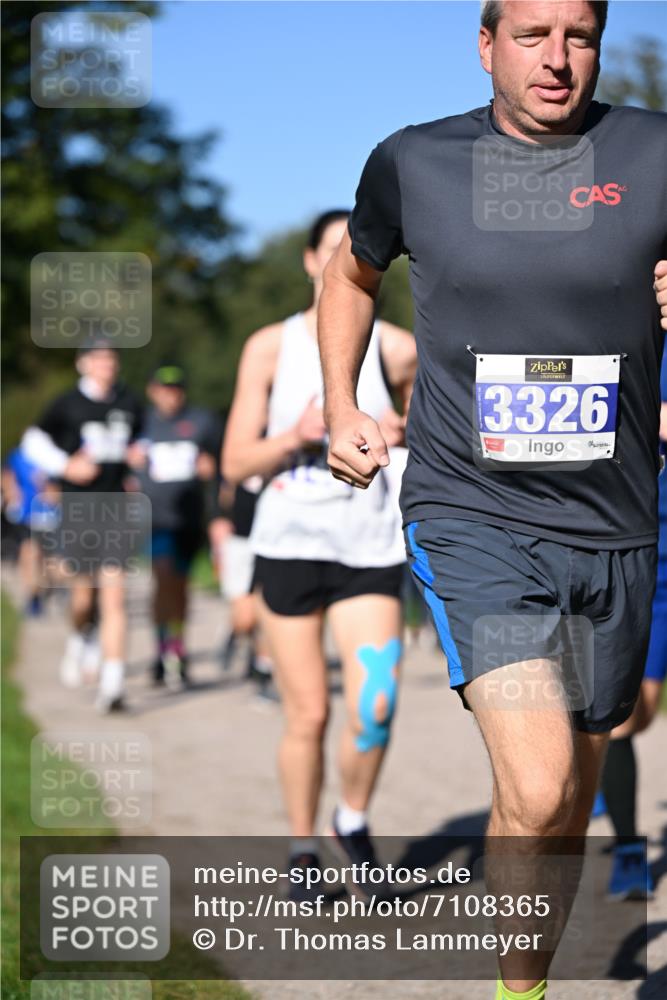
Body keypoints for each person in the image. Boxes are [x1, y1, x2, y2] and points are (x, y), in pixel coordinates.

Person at [318, 3, 666, 996]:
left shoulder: (652, 150)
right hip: (471, 513)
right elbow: (349, 280)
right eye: (530, 34)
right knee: (545, 780)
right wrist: (345, 402)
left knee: (561, 804)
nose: (556, 60)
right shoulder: (414, 163)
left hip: (618, 524)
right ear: (485, 45)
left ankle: (524, 979)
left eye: (579, 36)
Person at [223, 209, 416, 891]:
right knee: (307, 711)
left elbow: (432, 439)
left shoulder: (396, 348)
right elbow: (233, 460)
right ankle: (301, 849)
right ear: (310, 262)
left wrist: (404, 427)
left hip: (367, 545)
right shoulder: (269, 348)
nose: (347, 256)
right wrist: (298, 435)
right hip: (289, 543)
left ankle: (350, 818)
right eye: (334, 248)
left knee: (376, 704)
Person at [21, 343, 143, 711]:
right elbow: (33, 441)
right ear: (83, 363)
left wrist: (139, 455)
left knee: (114, 596)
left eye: (111, 358)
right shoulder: (67, 403)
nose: (106, 365)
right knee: (83, 597)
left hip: (116, 510)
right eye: (99, 358)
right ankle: (80, 639)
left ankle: (113, 685)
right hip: (78, 509)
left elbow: (141, 441)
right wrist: (65, 466)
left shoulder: (128, 402)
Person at [597, 348, 667, 900]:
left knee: (633, 714)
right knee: (627, 714)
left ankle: (596, 766)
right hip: (634, 545)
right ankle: (627, 848)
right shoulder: (620, 312)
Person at [127, 364, 221, 687]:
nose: (171, 395)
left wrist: (209, 468)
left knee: (179, 587)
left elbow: (217, 461)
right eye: (165, 389)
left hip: (188, 518)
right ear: (153, 391)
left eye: (177, 388)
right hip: (153, 518)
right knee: (163, 578)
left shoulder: (200, 421)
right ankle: (162, 649)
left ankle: (176, 649)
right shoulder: (139, 423)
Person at [2, 445, 60, 616]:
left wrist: (53, 494)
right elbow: (7, 475)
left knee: (51, 560)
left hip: (51, 515)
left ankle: (48, 587)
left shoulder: (55, 452)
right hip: (27, 513)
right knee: (29, 552)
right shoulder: (19, 453)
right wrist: (12, 495)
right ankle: (33, 596)